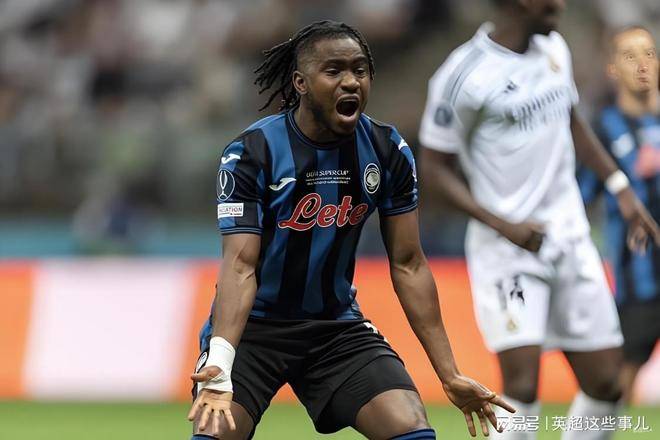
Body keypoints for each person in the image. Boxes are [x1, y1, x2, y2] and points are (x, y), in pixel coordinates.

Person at [187, 20, 514, 440]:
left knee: (411, 428)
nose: (351, 82)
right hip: (253, 329)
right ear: (301, 83)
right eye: (334, 70)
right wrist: (220, 361)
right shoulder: (252, 153)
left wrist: (449, 373)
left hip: (334, 327)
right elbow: (239, 266)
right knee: (216, 432)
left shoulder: (387, 150)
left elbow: (409, 263)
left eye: (360, 70)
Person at [418, 1, 659, 439]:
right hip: (507, 249)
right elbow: (432, 169)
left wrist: (619, 186)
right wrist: (502, 224)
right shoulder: (463, 75)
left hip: (570, 237)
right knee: (523, 385)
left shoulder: (554, 49)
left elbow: (572, 122)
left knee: (607, 383)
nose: (559, 3)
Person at [579, 25, 660, 404]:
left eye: (649, 53)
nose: (642, 64)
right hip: (637, 277)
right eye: (630, 56)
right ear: (613, 68)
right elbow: (580, 198)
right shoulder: (603, 130)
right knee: (622, 376)